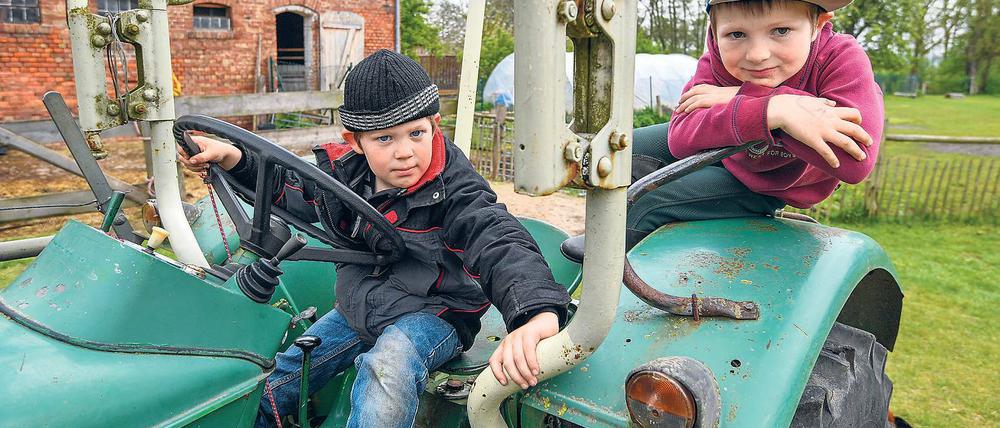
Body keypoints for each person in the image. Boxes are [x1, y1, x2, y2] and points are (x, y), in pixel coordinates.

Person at [178, 50, 571, 427]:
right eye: (385, 139)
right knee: (285, 374)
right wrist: (232, 157)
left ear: (435, 125)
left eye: (416, 133)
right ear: (355, 141)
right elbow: (289, 188)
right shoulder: (343, 174)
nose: (405, 153)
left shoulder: (454, 188)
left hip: (437, 312)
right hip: (360, 307)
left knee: (390, 363)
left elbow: (496, 238)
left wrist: (535, 311)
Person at [625, 0, 882, 242]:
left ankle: (612, 276)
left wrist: (763, 105)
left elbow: (855, 162)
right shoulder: (717, 60)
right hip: (728, 156)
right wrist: (773, 108)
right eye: (736, 34)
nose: (757, 55)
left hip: (770, 184)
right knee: (620, 150)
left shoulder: (840, 59)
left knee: (649, 204)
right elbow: (680, 137)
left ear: (818, 25)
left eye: (781, 31)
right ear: (714, 32)